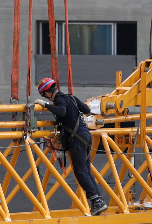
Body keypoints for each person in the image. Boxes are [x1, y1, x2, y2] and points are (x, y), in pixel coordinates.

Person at [34, 78, 108, 216]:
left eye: (44, 95)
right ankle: (99, 201)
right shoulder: (71, 98)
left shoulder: (60, 100)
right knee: (86, 170)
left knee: (80, 172)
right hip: (85, 135)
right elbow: (86, 109)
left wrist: (46, 105)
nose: (46, 98)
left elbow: (61, 112)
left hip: (77, 139)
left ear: (48, 93)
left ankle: (97, 201)